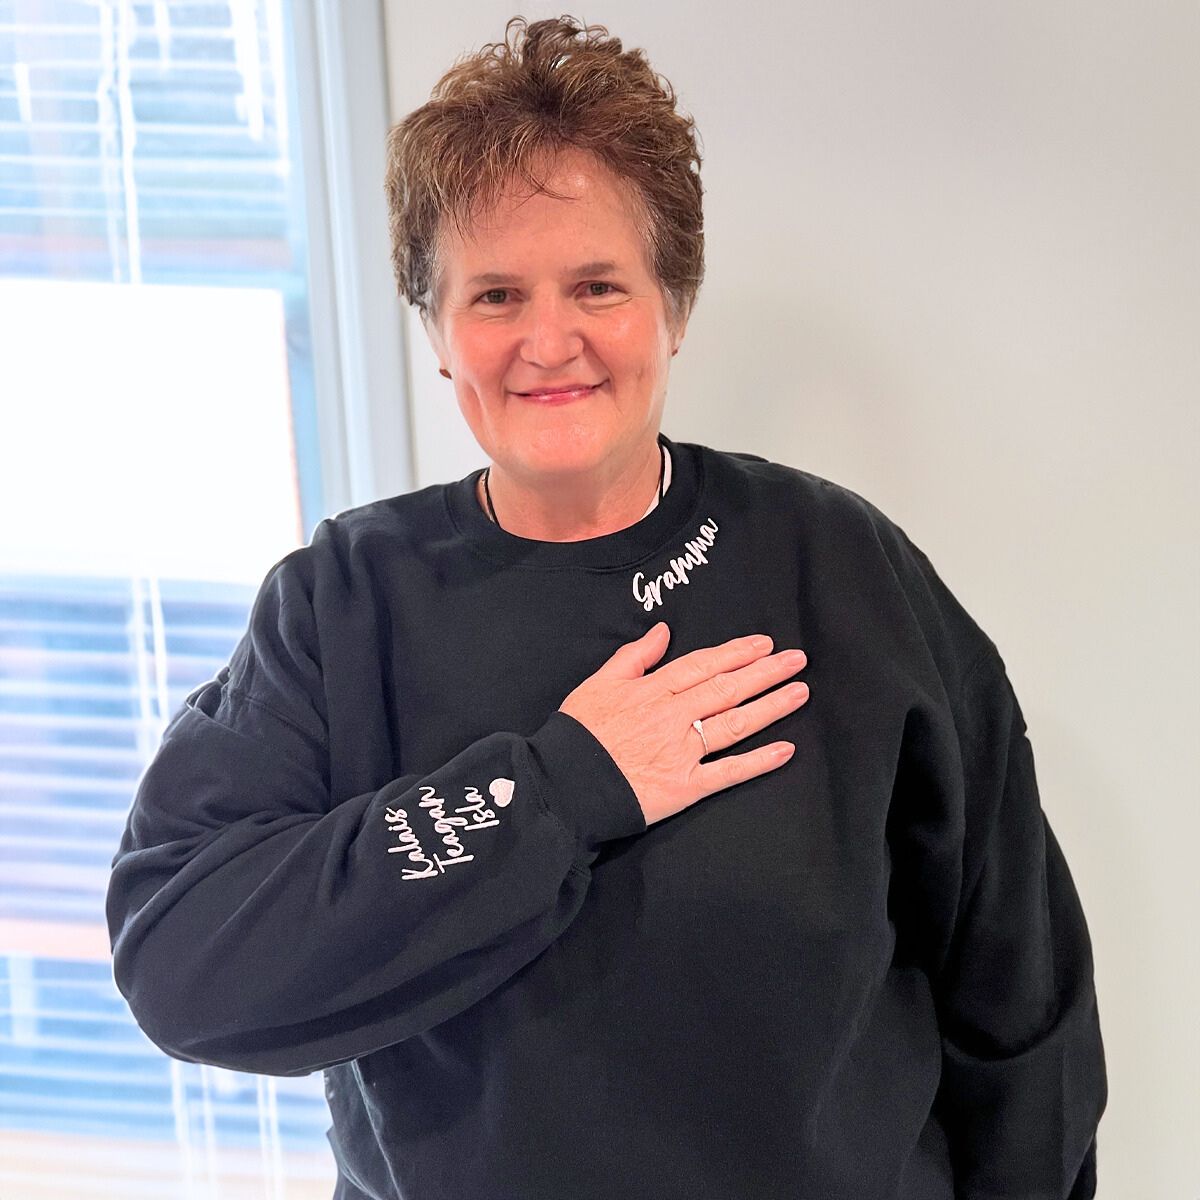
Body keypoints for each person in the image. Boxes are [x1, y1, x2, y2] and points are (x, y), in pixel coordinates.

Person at [106, 16, 1106, 1199]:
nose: (547, 340)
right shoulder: (343, 606)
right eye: (493, 296)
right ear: (435, 334)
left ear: (673, 305)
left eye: (596, 285)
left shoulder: (839, 570)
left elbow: (1016, 992)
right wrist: (561, 790)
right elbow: (186, 959)